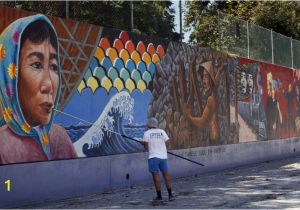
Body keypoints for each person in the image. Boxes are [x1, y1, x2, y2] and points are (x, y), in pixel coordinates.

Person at [0, 14, 77, 164]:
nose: (49, 85)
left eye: (54, 67)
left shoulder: (60, 137)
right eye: (36, 65)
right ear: (10, 75)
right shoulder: (2, 147)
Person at [184, 61, 224, 144]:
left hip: (213, 138)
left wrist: (189, 116)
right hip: (214, 135)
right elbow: (216, 81)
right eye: (203, 76)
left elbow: (202, 122)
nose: (203, 80)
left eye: (206, 76)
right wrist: (219, 70)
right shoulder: (213, 89)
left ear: (210, 78)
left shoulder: (211, 99)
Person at [142, 117, 174, 201]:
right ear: (156, 124)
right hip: (163, 157)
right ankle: (170, 194)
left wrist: (144, 143)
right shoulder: (162, 132)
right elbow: (168, 142)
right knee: (166, 175)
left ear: (149, 125)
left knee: (156, 176)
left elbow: (146, 147)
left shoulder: (147, 133)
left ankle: (159, 196)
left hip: (153, 157)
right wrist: (161, 146)